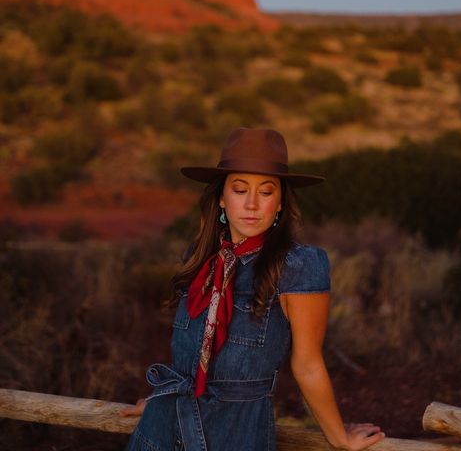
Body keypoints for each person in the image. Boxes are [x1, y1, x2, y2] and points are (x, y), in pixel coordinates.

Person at [122, 128, 385, 451]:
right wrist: (160, 398)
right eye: (239, 188)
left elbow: (308, 363)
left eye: (265, 191)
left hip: (237, 435)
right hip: (161, 432)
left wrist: (339, 438)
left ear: (280, 202)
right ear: (221, 197)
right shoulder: (198, 258)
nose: (251, 203)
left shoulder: (299, 265)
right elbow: (191, 352)